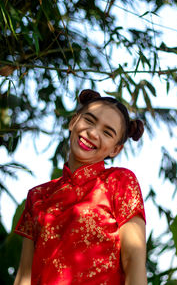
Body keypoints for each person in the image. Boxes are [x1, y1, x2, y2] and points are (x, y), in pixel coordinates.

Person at [14, 89, 147, 285]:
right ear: (73, 121)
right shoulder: (37, 196)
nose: (92, 133)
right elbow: (24, 276)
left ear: (115, 149)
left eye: (107, 132)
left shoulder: (120, 181)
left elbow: (133, 261)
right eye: (89, 121)